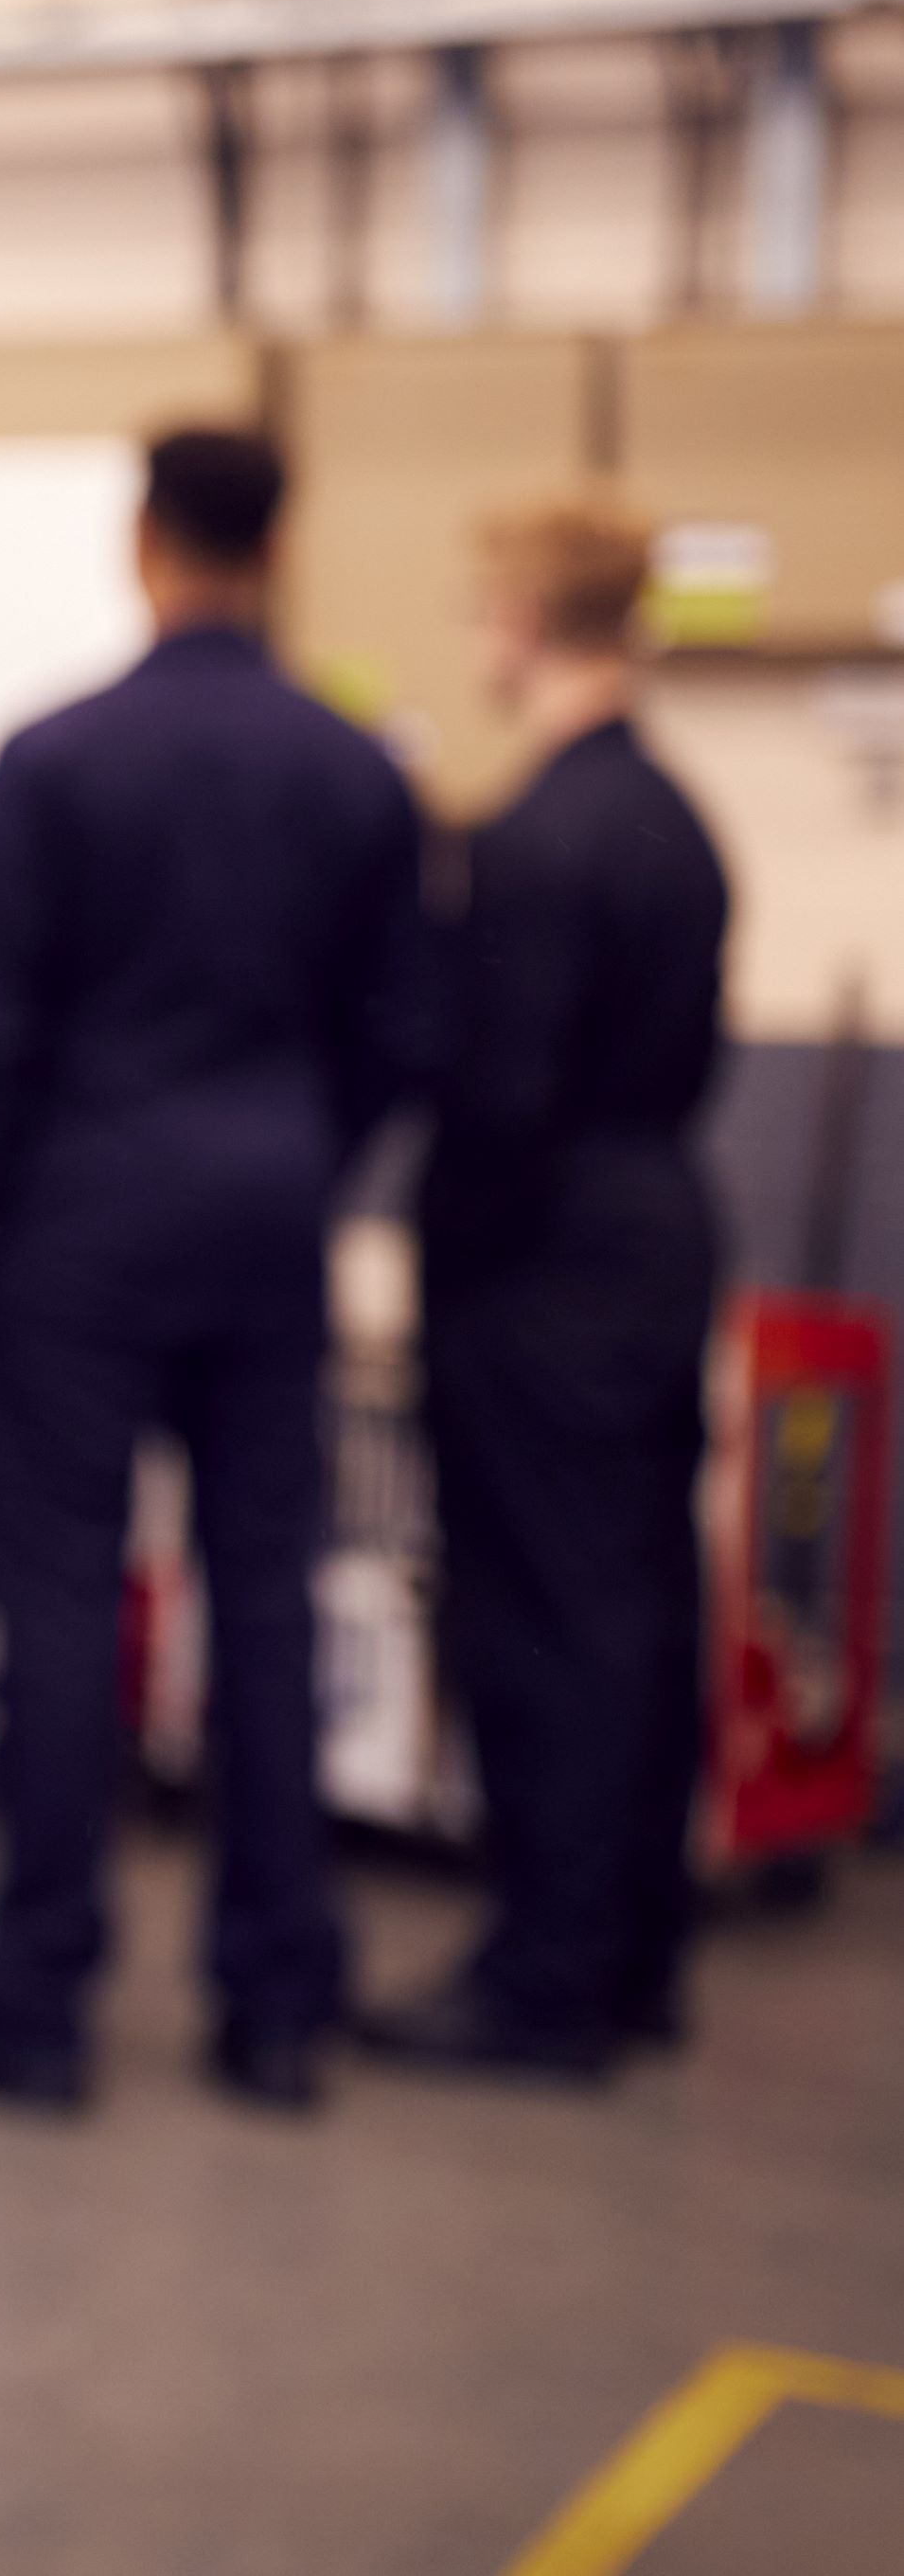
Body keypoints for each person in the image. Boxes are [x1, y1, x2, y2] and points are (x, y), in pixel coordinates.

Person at [0, 427, 424, 2116]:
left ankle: (38, 1998)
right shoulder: (357, 769)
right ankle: (273, 2001)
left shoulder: (55, 758)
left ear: (144, 543)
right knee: (263, 1596)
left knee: (60, 1603)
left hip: (76, 1230)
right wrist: (292, 1163)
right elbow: (399, 1034)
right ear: (279, 541)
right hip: (265, 1224)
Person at [360, 498, 731, 2084]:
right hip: (656, 1227)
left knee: (541, 1616)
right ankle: (634, 1953)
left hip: (545, 1267)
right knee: (640, 1604)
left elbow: (501, 1098)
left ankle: (543, 1980)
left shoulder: (538, 839)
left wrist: (451, 1259)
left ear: (523, 622)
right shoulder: (671, 818)